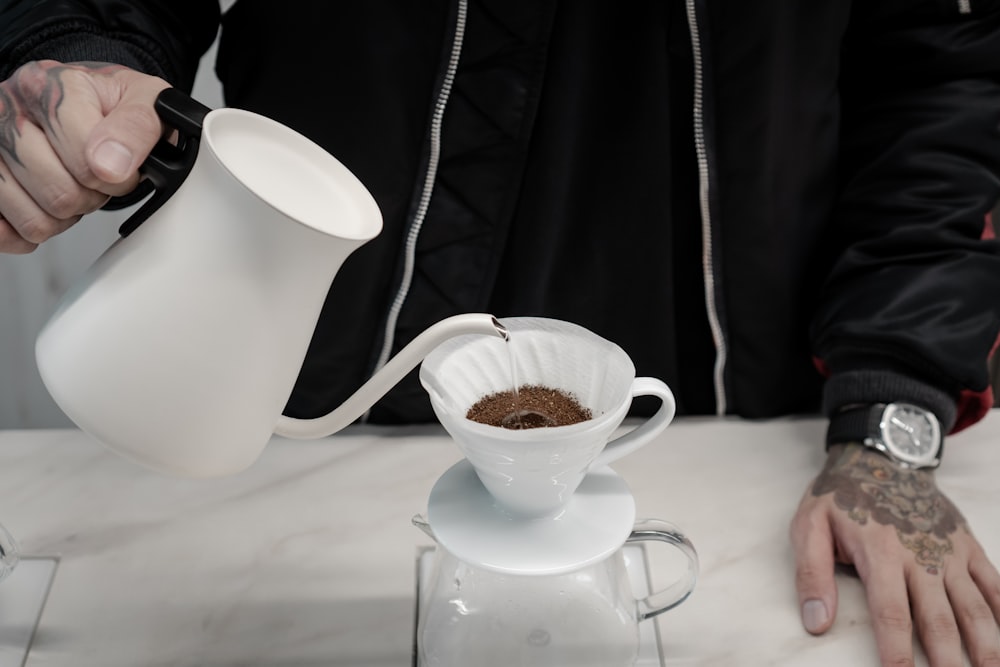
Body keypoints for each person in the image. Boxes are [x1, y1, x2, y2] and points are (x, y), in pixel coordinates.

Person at [2, 1, 999, 664]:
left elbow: (940, 68)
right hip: (310, 372)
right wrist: (77, 59)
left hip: (739, 409)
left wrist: (889, 418)